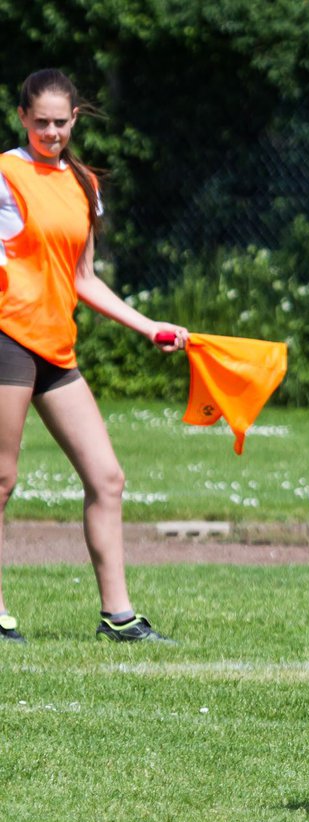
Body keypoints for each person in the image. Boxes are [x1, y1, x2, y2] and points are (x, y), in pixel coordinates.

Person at [0, 70, 188, 644]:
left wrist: (146, 325)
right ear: (22, 118)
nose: (50, 133)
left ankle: (120, 617)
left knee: (107, 477)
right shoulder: (5, 173)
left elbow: (82, 277)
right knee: (1, 478)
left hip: (56, 345)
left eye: (60, 123)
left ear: (75, 119)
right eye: (40, 123)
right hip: (6, 337)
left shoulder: (83, 183)